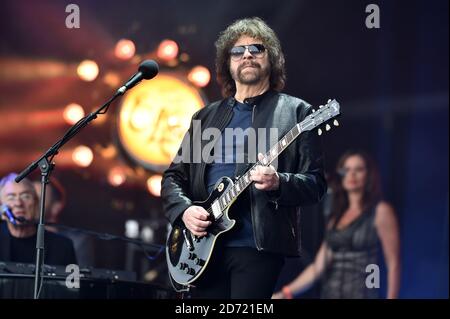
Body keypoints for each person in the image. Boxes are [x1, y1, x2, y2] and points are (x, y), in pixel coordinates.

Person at [161, 17, 327, 299]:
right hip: (202, 247)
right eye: (237, 51)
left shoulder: (296, 113)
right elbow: (173, 178)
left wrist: (279, 182)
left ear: (271, 59)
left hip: (256, 247)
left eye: (256, 48)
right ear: (228, 63)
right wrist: (185, 211)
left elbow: (315, 184)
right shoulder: (207, 117)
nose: (247, 55)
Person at [272, 150, 401, 299]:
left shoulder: (381, 211)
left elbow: (393, 263)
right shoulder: (336, 216)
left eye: (358, 169)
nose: (352, 174)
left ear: (369, 175)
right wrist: (285, 293)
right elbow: (318, 267)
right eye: (346, 170)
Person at [0, 173, 77, 266]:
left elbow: (73, 280)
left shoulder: (62, 246)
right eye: (11, 197)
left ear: (36, 203)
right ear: (1, 205)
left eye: (25, 196)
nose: (18, 203)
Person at [33, 178, 95, 267]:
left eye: (38, 199)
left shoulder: (76, 241)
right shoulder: (23, 236)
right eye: (28, 197)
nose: (31, 203)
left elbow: (81, 278)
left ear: (56, 207)